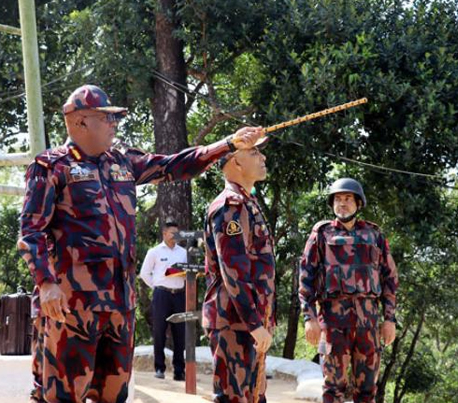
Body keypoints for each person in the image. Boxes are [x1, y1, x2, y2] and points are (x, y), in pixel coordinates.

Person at [17, 84, 263, 403]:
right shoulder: (51, 166)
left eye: (115, 118)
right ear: (78, 122)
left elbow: (175, 165)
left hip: (120, 305)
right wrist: (46, 282)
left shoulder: (123, 162)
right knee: (61, 396)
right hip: (72, 305)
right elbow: (30, 230)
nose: (114, 124)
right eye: (106, 118)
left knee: (114, 395)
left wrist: (228, 143)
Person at [298, 178, 398, 403]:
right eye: (338, 199)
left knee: (367, 390)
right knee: (333, 388)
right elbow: (306, 277)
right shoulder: (321, 234)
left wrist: (390, 319)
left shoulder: (374, 235)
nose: (342, 204)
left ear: (359, 203)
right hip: (332, 323)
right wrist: (309, 317)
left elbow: (389, 278)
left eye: (348, 199)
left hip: (368, 324)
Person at [201, 140, 275, 403]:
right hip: (234, 321)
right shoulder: (230, 206)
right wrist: (255, 324)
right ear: (236, 162)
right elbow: (233, 271)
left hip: (249, 321)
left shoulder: (247, 203)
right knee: (234, 398)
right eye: (254, 152)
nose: (262, 156)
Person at [139, 220, 188, 380]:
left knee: (180, 333)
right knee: (159, 331)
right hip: (162, 295)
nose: (175, 236)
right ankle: (159, 368)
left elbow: (189, 272)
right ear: (164, 233)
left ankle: (179, 370)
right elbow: (144, 273)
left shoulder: (183, 252)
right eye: (172, 232)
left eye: (177, 233)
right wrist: (157, 286)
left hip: (179, 294)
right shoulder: (155, 251)